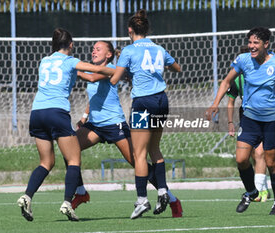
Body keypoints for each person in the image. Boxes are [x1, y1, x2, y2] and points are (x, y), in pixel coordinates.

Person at [71, 40, 183, 218]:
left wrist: (69, 66)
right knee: (69, 148)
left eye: (98, 49)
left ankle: (171, 198)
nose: (93, 51)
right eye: (93, 49)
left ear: (108, 55)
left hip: (114, 124)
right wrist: (84, 117)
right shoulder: (91, 68)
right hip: (95, 125)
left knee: (138, 162)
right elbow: (95, 96)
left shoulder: (111, 69)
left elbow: (92, 78)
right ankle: (81, 191)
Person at [17, 28, 114, 222]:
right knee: (73, 159)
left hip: (37, 113)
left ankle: (26, 196)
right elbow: (95, 70)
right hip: (56, 112)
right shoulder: (70, 61)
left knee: (46, 162)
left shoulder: (44, 61)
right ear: (70, 45)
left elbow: (84, 75)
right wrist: (119, 71)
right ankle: (67, 203)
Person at [206, 27, 275, 215]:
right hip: (249, 119)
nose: (251, 46)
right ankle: (251, 191)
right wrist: (215, 103)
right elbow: (226, 82)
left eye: (256, 43)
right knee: (241, 159)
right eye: (250, 42)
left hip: (273, 121)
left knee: (271, 164)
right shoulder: (243, 60)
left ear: (266, 44)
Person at [110, 9, 181, 219]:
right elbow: (177, 67)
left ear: (130, 30)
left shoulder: (129, 51)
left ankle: (141, 200)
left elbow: (114, 79)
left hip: (143, 103)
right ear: (147, 29)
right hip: (162, 100)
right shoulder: (158, 49)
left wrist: (121, 67)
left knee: (138, 154)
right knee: (155, 149)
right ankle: (162, 191)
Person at [227, 45, 270, 202]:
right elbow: (230, 102)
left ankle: (260, 190)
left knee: (260, 153)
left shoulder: (264, 72)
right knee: (247, 156)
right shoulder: (237, 79)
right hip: (246, 119)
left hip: (265, 118)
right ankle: (256, 187)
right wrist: (230, 122)